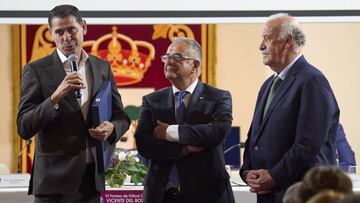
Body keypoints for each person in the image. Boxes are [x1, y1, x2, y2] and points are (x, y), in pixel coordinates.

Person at [17, 4, 130, 203]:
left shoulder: (101, 67)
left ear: (84, 27)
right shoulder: (36, 70)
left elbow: (121, 116)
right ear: (51, 34)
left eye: (72, 29)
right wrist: (55, 98)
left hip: (91, 180)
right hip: (53, 183)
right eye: (59, 32)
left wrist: (112, 128)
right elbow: (24, 126)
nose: (67, 37)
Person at [240, 13, 340, 203]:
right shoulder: (268, 84)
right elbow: (255, 136)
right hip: (269, 194)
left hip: (300, 194)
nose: (261, 46)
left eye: (267, 39)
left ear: (287, 42)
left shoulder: (313, 81)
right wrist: (247, 172)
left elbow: (308, 145)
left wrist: (274, 176)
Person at [135, 37, 235, 203]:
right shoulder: (152, 100)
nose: (169, 62)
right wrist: (183, 149)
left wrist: (169, 132)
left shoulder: (218, 97)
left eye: (177, 57)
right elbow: (143, 143)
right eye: (167, 57)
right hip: (161, 195)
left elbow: (217, 132)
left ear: (195, 65)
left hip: (208, 194)